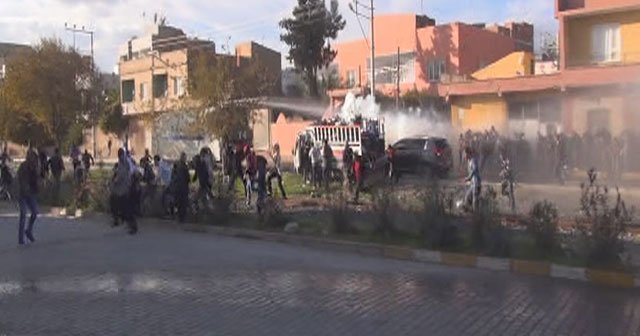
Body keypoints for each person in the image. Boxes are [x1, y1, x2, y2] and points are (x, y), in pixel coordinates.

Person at [111, 148, 137, 234]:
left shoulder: (123, 163)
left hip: (125, 189)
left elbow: (121, 175)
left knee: (126, 209)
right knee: (122, 207)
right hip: (125, 189)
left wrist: (114, 181)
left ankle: (132, 226)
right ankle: (123, 223)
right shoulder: (126, 161)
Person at [17, 150, 40, 245]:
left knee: (34, 212)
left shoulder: (34, 168)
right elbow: (20, 178)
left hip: (31, 193)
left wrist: (38, 183)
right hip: (22, 193)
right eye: (31, 158)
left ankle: (28, 231)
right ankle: (20, 238)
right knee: (23, 213)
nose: (33, 160)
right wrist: (24, 186)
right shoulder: (23, 166)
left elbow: (36, 181)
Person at [173, 152, 191, 222]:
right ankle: (182, 218)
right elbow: (188, 178)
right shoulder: (184, 167)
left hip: (178, 187)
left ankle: (179, 217)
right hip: (183, 187)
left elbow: (174, 175)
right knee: (183, 203)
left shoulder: (177, 165)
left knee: (179, 202)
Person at [464, 147, 482, 212]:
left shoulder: (473, 160)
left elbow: (474, 169)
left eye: (465, 154)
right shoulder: (470, 161)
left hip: (476, 184)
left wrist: (469, 177)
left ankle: (475, 214)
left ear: (468, 153)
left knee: (474, 199)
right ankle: (472, 212)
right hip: (473, 184)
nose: (464, 156)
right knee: (468, 197)